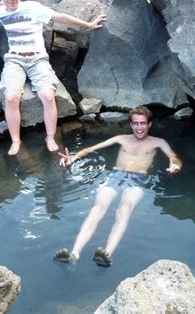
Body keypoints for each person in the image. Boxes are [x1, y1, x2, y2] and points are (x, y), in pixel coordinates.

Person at [54, 105, 182, 267]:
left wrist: (175, 166)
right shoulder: (121, 138)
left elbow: (173, 156)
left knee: (125, 208)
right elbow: (91, 149)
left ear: (149, 125)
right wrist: (73, 158)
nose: (139, 127)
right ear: (131, 124)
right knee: (98, 208)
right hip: (115, 176)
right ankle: (74, 254)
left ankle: (107, 254)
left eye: (143, 123)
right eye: (135, 123)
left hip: (138, 179)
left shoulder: (158, 142)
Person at [0, 0, 106, 155]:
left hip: (37, 59)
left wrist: (89, 25)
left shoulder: (33, 8)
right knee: (11, 97)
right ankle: (16, 140)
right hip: (14, 61)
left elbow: (60, 17)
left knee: (47, 96)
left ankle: (50, 137)